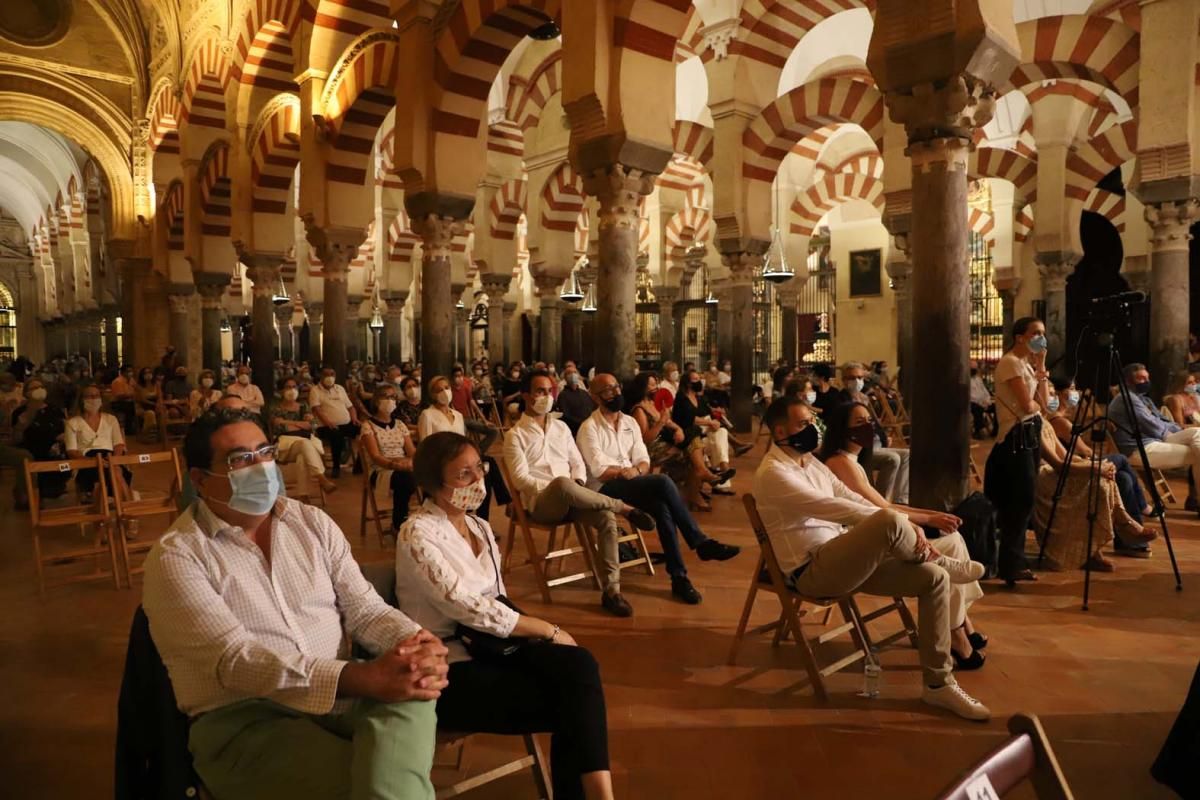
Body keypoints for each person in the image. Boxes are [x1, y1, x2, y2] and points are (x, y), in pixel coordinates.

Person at [142, 408, 445, 800]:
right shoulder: (177, 556)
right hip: (247, 719)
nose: (261, 467)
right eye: (241, 460)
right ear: (200, 480)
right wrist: (361, 678)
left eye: (265, 452)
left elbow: (365, 609)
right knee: (371, 787)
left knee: (415, 687)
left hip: (341, 699)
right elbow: (236, 661)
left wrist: (417, 642)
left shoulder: (310, 523)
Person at [394, 433, 613, 800]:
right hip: (449, 668)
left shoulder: (479, 527)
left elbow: (499, 601)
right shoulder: (417, 532)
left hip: (493, 647)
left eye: (479, 467)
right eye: (463, 475)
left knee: (579, 666)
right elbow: (464, 605)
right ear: (434, 484)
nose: (478, 479)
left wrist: (540, 638)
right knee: (574, 702)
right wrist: (547, 629)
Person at [754, 396, 990, 720]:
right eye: (802, 423)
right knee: (889, 520)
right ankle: (939, 558)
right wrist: (900, 523)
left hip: (844, 556)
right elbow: (837, 509)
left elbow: (848, 495)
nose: (811, 429)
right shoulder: (774, 473)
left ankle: (938, 685)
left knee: (935, 579)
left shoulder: (810, 462)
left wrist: (901, 523)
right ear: (780, 431)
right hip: (812, 571)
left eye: (812, 421)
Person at [819, 400, 988, 669]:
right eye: (859, 423)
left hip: (874, 528)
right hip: (863, 541)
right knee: (952, 545)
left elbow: (884, 506)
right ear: (842, 429)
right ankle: (957, 631)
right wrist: (929, 517)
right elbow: (881, 509)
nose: (868, 427)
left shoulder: (853, 461)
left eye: (868, 420)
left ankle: (959, 624)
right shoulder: (840, 463)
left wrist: (930, 515)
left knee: (953, 540)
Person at [503, 370, 657, 617]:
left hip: (573, 496)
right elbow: (521, 479)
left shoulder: (562, 428)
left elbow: (577, 463)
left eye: (550, 391)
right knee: (563, 485)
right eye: (540, 391)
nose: (547, 395)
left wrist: (575, 485)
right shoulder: (515, 435)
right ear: (526, 396)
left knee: (605, 518)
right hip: (542, 503)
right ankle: (624, 508)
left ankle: (612, 591)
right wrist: (561, 488)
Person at [578, 374, 741, 606]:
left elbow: (643, 458)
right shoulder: (589, 428)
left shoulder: (629, 423)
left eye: (616, 387)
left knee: (663, 508)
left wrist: (637, 470)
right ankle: (700, 542)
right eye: (607, 390)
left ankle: (679, 579)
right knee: (663, 483)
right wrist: (630, 471)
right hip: (604, 488)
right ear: (595, 397)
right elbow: (599, 469)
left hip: (631, 481)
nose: (615, 393)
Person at [1033, 401, 1157, 573]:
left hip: (1070, 465)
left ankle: (1118, 535)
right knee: (1114, 467)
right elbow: (1059, 464)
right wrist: (1095, 467)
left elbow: (1068, 455)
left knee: (1122, 478)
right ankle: (1129, 523)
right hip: (1046, 476)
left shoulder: (1045, 421)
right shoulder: (1035, 423)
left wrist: (1094, 464)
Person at [984, 317, 1049, 588]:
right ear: (1020, 336)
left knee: (1024, 500)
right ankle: (1011, 563)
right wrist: (1037, 406)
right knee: (1019, 501)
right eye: (1036, 333)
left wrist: (1042, 367)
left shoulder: (1026, 365)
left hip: (1029, 434)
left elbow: (1043, 404)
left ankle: (1014, 562)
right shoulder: (1010, 362)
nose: (1041, 338)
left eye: (1043, 334)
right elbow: (1026, 405)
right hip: (1015, 437)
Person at [838, 361, 909, 503]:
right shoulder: (841, 401)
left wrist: (884, 437)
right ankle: (880, 501)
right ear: (844, 380)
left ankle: (901, 500)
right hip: (862, 447)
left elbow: (874, 423)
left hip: (875, 442)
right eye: (852, 378)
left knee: (907, 454)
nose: (857, 381)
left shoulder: (863, 398)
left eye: (860, 378)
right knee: (892, 459)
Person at [671, 368, 736, 509]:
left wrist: (715, 415)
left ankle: (723, 469)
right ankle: (719, 473)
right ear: (687, 383)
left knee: (721, 433)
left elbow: (706, 413)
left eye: (698, 379)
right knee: (717, 437)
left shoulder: (699, 397)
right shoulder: (681, 398)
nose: (698, 382)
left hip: (701, 434)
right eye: (695, 379)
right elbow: (688, 419)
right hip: (687, 434)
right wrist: (709, 422)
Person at [360, 384, 419, 534]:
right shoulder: (368, 426)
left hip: (403, 465)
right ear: (376, 401)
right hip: (381, 469)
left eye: (393, 397)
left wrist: (414, 461)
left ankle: (426, 522)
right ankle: (398, 523)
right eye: (386, 396)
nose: (390, 400)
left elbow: (411, 451)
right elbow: (375, 456)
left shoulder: (400, 425)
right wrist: (395, 465)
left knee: (430, 477)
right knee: (405, 479)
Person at [270, 376, 338, 495]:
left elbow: (312, 425)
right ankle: (321, 478)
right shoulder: (276, 408)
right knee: (304, 443)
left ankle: (303, 496)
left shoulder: (303, 407)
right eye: (288, 387)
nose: (292, 390)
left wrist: (287, 423)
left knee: (302, 457)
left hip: (304, 444)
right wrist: (300, 423)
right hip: (286, 446)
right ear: (281, 391)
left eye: (294, 387)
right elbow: (279, 428)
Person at [628, 372, 689, 483]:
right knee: (685, 454)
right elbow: (644, 439)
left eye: (656, 384)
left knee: (693, 442)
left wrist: (678, 429)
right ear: (643, 388)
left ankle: (694, 488)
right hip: (652, 447)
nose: (655, 387)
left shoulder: (653, 403)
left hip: (664, 440)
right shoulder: (639, 409)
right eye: (651, 385)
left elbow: (668, 421)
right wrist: (661, 422)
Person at [13, 377, 69, 497]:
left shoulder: (55, 409)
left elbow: (65, 427)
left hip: (56, 449)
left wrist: (64, 436)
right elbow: (17, 438)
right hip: (33, 448)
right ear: (26, 393)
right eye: (34, 388)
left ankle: (61, 482)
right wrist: (21, 426)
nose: (38, 390)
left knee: (66, 460)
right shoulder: (20, 412)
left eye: (41, 387)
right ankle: (35, 489)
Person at [309, 368, 361, 478]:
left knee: (364, 431)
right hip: (325, 426)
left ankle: (359, 464)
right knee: (336, 436)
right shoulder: (315, 390)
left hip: (345, 424)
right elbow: (316, 410)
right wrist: (328, 422)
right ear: (321, 376)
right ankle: (336, 466)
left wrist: (354, 418)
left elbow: (351, 407)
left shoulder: (340, 389)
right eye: (326, 374)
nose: (329, 377)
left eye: (332, 374)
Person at [418, 375, 466, 442]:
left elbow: (463, 441)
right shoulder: (427, 415)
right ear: (433, 395)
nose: (445, 392)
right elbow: (425, 443)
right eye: (439, 390)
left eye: (446, 388)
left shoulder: (458, 415)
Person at [554, 365, 597, 437]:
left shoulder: (584, 393)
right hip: (575, 431)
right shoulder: (563, 395)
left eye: (575, 372)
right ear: (565, 377)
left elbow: (592, 408)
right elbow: (566, 415)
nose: (573, 375)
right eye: (569, 373)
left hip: (590, 427)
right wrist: (582, 424)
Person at [969, 361, 998, 439]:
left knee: (996, 407)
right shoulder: (966, 380)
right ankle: (979, 431)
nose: (974, 370)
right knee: (977, 408)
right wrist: (980, 402)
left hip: (984, 402)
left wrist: (987, 401)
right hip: (973, 403)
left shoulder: (978, 379)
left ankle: (995, 430)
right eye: (972, 368)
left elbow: (985, 392)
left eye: (975, 368)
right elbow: (970, 395)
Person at [108, 366, 138, 434]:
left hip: (129, 401)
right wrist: (131, 395)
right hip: (117, 402)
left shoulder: (132, 380)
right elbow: (119, 396)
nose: (130, 373)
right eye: (128, 371)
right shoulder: (117, 381)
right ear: (123, 372)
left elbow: (137, 389)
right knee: (130, 407)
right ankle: (128, 429)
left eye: (131, 371)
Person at [134, 367, 160, 438]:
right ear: (142, 375)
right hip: (142, 406)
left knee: (163, 412)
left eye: (149, 372)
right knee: (150, 413)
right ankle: (147, 434)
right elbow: (142, 399)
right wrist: (153, 404)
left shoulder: (156, 384)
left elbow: (159, 396)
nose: (148, 374)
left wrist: (157, 404)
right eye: (146, 373)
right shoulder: (138, 386)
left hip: (154, 405)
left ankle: (161, 434)